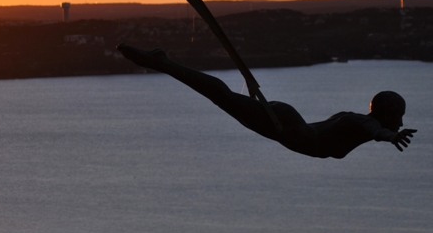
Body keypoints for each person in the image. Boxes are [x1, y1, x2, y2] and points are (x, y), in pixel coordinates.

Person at [117, 44, 417, 159]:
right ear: (387, 114)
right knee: (222, 97)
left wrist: (386, 134)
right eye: (398, 116)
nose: (401, 122)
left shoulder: (352, 118)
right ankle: (163, 63)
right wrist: (391, 137)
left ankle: (164, 63)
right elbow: (375, 131)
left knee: (224, 97)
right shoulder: (364, 123)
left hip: (286, 121)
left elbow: (369, 129)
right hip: (286, 127)